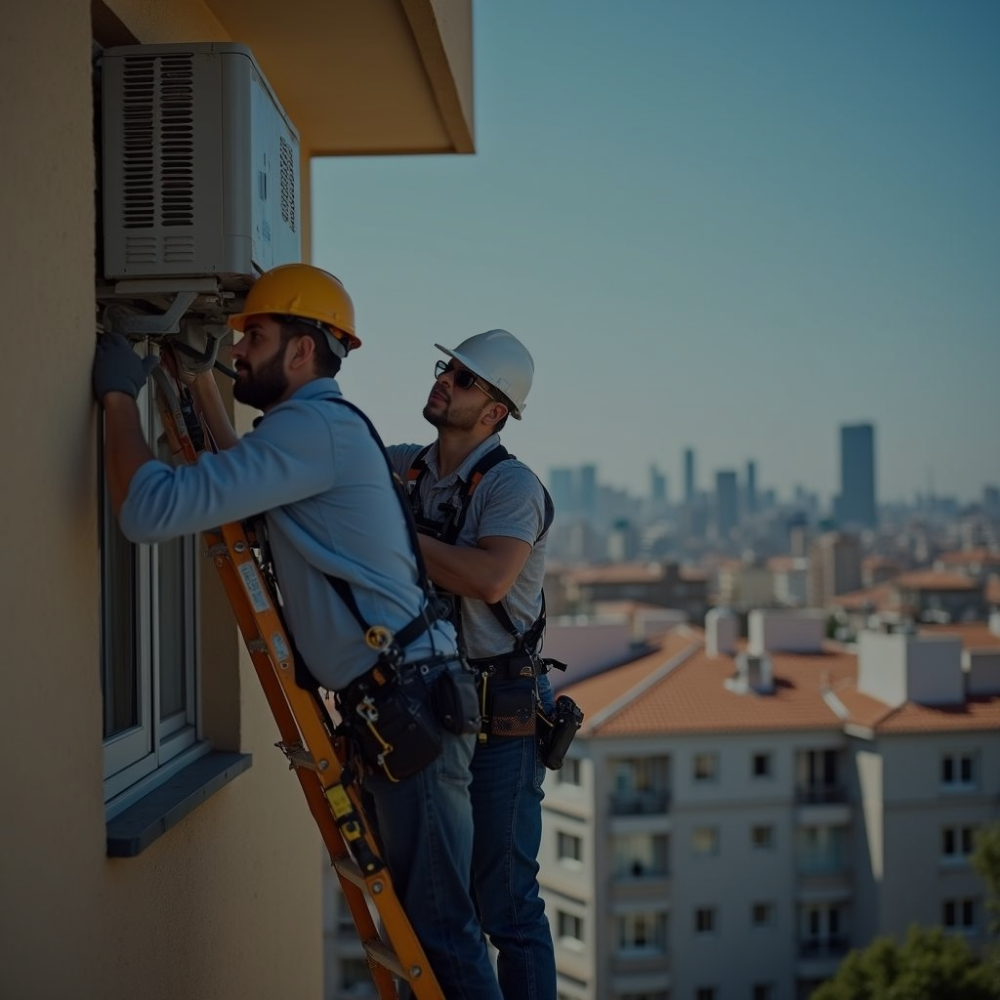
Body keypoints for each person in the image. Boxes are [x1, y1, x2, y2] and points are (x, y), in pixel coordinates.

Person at [92, 263, 502, 1000]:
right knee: (426, 938)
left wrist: (118, 395)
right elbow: (238, 481)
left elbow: (148, 510)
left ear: (304, 351)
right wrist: (201, 381)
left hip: (409, 709)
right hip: (401, 705)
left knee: (440, 938)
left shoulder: (313, 431)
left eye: (257, 334)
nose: (241, 346)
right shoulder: (310, 431)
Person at [385, 329, 558, 1000]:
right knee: (429, 900)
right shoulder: (410, 468)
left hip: (501, 715)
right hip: (432, 706)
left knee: (506, 903)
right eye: (446, 368)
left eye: (462, 378)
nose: (443, 380)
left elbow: (489, 578)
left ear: (494, 411)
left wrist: (390, 535)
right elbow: (330, 465)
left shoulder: (512, 486)